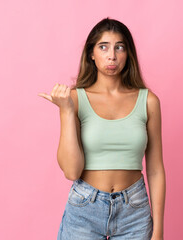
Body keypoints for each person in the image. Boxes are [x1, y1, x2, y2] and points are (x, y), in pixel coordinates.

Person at [38, 17, 165, 240]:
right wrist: (66, 111)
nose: (112, 55)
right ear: (91, 53)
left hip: (134, 211)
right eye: (103, 46)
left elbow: (155, 169)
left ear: (128, 54)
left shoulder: (149, 101)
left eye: (119, 47)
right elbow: (71, 171)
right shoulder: (75, 99)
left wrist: (158, 230)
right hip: (85, 208)